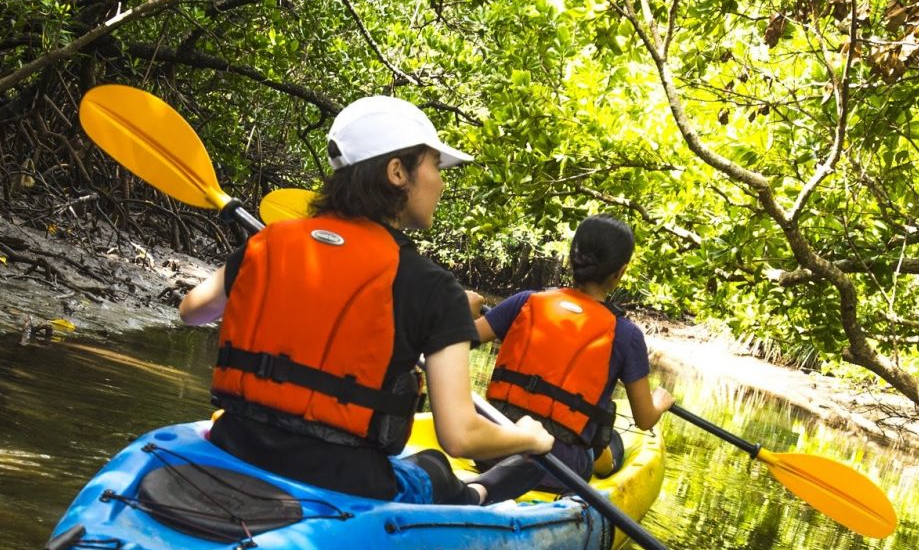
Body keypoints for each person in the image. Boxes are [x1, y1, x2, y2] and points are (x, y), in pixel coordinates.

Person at [178, 95, 552, 503]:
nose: (441, 182)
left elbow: (193, 311)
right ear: (397, 173)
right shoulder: (432, 286)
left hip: (235, 445)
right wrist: (525, 436)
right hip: (345, 481)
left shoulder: (269, 244)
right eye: (434, 165)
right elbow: (460, 435)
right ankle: (479, 496)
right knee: (434, 467)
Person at [468, 214, 674, 504]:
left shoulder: (525, 301)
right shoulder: (626, 335)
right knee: (612, 441)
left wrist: (468, 309)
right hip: (557, 470)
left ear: (571, 257)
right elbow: (643, 419)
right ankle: (602, 456)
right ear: (620, 271)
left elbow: (460, 339)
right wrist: (661, 402)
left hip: (488, 448)